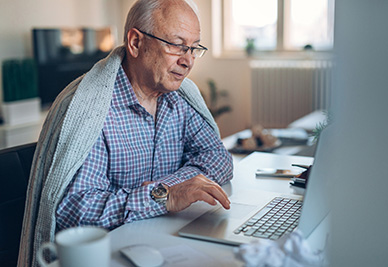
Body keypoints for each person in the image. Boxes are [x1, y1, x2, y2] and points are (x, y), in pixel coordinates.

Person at [18, 0, 233, 266]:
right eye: (177, 45)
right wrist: (165, 196)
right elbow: (73, 208)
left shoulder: (180, 98)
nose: (188, 61)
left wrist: (172, 187)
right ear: (135, 43)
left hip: (164, 241)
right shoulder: (90, 107)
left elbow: (218, 157)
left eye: (193, 48)